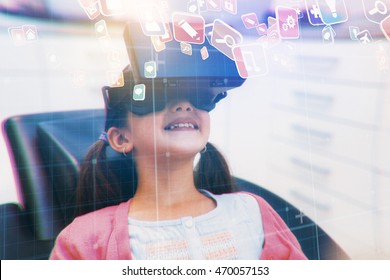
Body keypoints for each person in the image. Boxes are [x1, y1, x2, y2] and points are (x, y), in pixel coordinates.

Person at [49, 64, 307, 260]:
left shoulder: (252, 211)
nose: (184, 105)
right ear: (121, 137)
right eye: (157, 95)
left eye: (197, 95)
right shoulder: (84, 237)